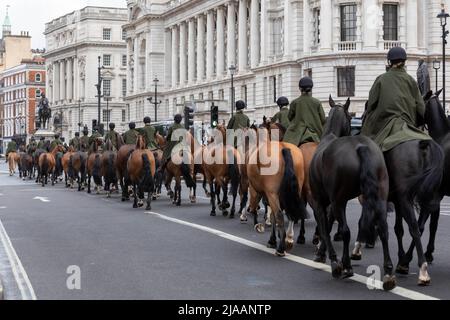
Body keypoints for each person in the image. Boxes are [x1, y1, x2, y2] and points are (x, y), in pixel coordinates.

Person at [362, 47, 431, 152]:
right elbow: (421, 107)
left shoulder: (381, 79)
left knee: (367, 144)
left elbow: (371, 103)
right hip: (407, 122)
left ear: (389, 61)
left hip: (383, 124)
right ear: (404, 61)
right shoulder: (411, 80)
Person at [283, 77, 326, 146]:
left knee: (285, 146)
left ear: (300, 89)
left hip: (297, 134)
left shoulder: (295, 102)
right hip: (316, 134)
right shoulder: (317, 102)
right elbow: (323, 119)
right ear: (311, 88)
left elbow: (289, 117)